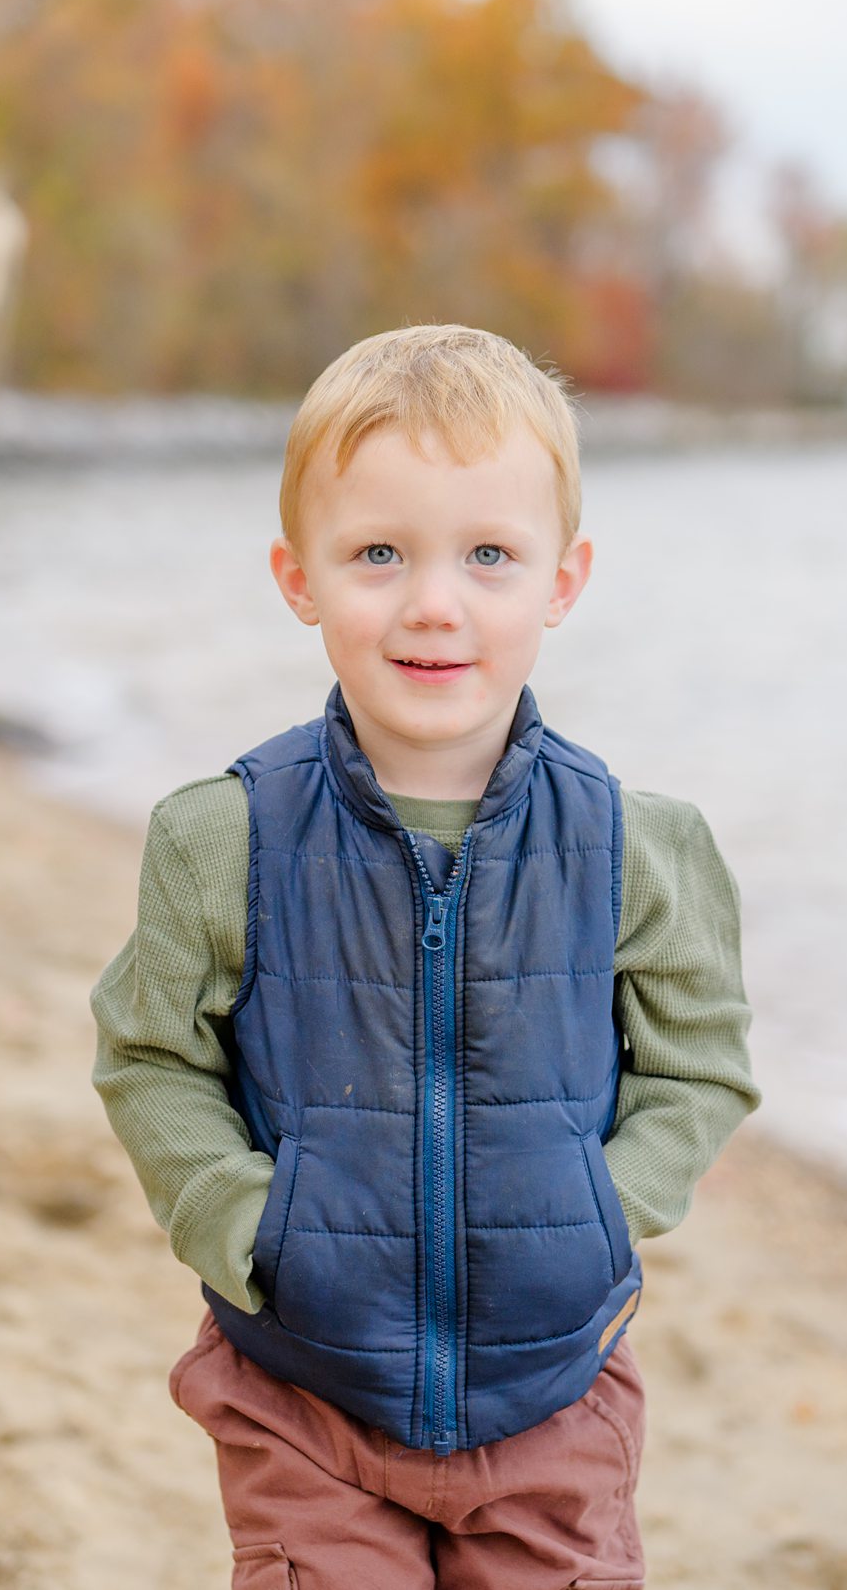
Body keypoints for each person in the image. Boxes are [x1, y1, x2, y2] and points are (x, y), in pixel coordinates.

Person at [89, 323, 760, 1589]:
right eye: (380, 553)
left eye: (489, 555)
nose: (434, 602)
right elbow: (148, 1058)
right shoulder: (222, 835)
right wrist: (245, 1223)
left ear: (563, 582)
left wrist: (604, 1217)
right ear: (299, 576)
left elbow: (703, 1063)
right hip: (305, 1393)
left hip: (553, 1391)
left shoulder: (638, 845)